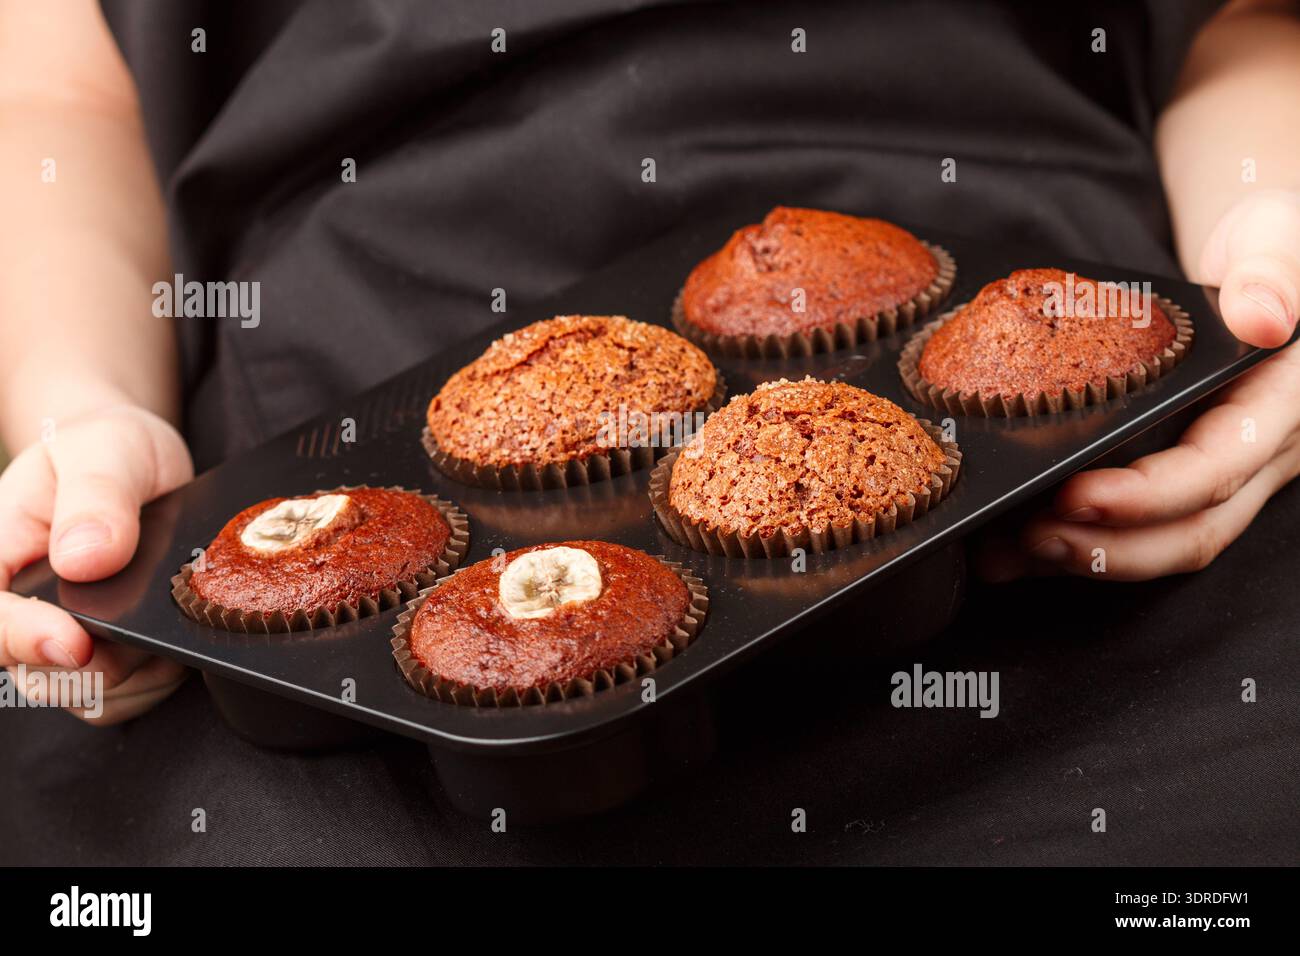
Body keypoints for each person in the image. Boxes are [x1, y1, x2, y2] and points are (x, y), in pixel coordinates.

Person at [0, 0, 1297, 730]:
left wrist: (1271, 244)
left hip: (1095, 483)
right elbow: (58, 97)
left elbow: (1242, 30)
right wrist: (83, 405)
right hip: (345, 634)